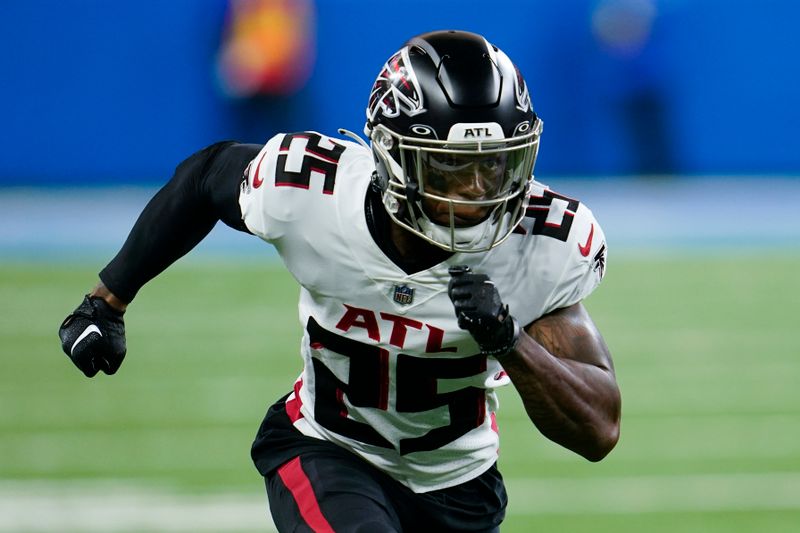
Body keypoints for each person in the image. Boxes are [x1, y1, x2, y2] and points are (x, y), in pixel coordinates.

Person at [58, 30, 621, 532]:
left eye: (494, 164)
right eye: (451, 166)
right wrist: (107, 300)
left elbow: (599, 430)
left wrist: (509, 340)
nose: (479, 188)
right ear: (394, 157)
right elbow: (206, 176)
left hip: (459, 487)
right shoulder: (313, 193)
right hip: (326, 448)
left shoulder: (542, 245)